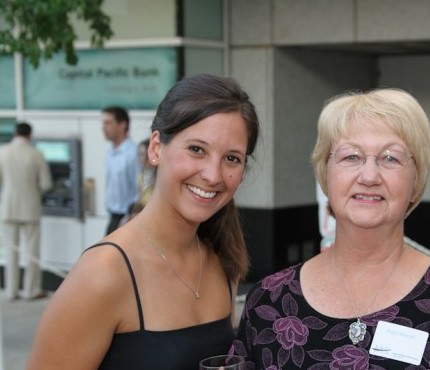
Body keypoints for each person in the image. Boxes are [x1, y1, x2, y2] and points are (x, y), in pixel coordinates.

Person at [231, 88, 430, 369]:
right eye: (351, 157)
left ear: (416, 181)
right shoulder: (268, 303)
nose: (369, 176)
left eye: (390, 158)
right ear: (325, 173)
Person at [26, 73, 260, 370]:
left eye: (232, 158)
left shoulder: (222, 260)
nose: (213, 175)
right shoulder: (103, 273)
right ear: (155, 148)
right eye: (196, 149)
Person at [0, 122, 52, 300]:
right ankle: (31, 290)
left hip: (8, 207)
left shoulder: (3, 152)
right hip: (30, 207)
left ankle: (11, 291)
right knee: (32, 252)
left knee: (11, 251)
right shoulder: (36, 154)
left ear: (15, 133)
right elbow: (46, 184)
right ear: (30, 135)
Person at [101, 105, 139, 235]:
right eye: (103, 123)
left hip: (127, 219)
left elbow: (140, 188)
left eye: (108, 123)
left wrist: (130, 217)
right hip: (113, 217)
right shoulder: (110, 152)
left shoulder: (133, 153)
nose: (103, 127)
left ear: (122, 125)